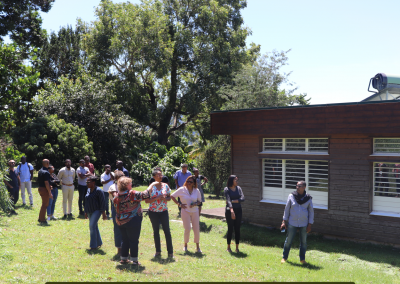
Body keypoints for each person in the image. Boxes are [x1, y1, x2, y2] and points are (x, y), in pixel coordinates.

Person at [114, 176, 151, 265]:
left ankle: (124, 259)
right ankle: (134, 260)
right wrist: (152, 184)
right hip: (133, 220)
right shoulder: (131, 194)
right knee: (134, 240)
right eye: (130, 183)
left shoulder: (116, 196)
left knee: (125, 239)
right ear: (126, 185)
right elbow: (145, 194)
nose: (131, 184)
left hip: (121, 221)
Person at [280, 180, 314, 264]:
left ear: (304, 187)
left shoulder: (308, 198)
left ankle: (302, 259)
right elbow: (287, 209)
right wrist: (284, 221)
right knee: (288, 241)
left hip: (304, 223)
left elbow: (311, 212)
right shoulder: (291, 196)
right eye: (297, 186)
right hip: (292, 222)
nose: (297, 187)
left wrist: (310, 224)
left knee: (304, 242)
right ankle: (284, 257)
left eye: (299, 186)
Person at [145, 169, 174, 258]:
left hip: (163, 212)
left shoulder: (165, 186)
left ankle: (170, 253)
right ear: (154, 177)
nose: (160, 177)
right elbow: (146, 201)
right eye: (158, 175)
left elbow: (169, 198)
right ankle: (158, 251)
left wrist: (165, 199)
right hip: (153, 212)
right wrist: (157, 198)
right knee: (156, 231)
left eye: (161, 175)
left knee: (167, 231)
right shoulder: (151, 187)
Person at [171, 175, 202, 253]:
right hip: (185, 211)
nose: (188, 183)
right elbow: (172, 196)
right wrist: (179, 204)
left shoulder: (196, 190)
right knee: (187, 228)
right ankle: (185, 246)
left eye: (190, 182)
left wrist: (195, 204)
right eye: (188, 181)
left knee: (196, 229)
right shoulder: (182, 189)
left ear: (194, 183)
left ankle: (197, 247)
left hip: (195, 211)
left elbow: (199, 201)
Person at [84, 176, 107, 250]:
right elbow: (86, 201)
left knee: (91, 226)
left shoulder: (99, 191)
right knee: (94, 226)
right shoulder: (88, 189)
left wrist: (104, 214)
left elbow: (103, 203)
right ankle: (99, 243)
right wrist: (85, 211)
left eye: (88, 182)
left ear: (93, 182)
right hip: (89, 210)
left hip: (97, 210)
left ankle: (93, 246)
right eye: (86, 182)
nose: (87, 183)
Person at [224, 175, 245, 253]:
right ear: (231, 181)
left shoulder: (239, 188)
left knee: (237, 229)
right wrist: (232, 211)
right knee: (230, 228)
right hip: (229, 211)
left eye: (237, 180)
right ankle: (228, 247)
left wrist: (234, 201)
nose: (237, 181)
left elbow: (243, 199)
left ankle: (237, 248)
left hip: (238, 210)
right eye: (236, 180)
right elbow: (228, 200)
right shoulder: (226, 189)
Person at [108, 170, 124, 255]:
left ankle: (125, 249)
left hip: (126, 209)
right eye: (121, 177)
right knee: (118, 229)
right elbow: (116, 197)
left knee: (126, 229)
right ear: (116, 178)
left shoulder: (126, 187)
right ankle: (119, 250)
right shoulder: (113, 187)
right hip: (116, 209)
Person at [37, 159, 53, 225]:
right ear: (47, 164)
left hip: (40, 188)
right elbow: (46, 183)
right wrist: (49, 192)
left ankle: (40, 217)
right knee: (45, 204)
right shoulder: (46, 172)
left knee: (44, 204)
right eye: (48, 163)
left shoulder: (40, 171)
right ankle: (42, 219)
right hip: (44, 189)